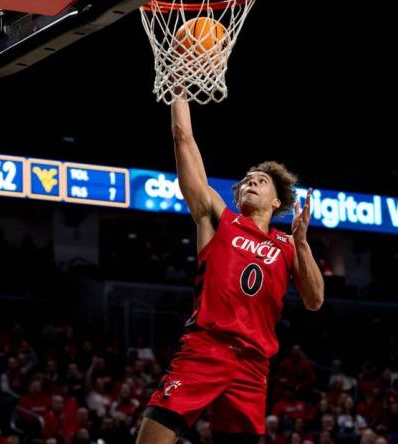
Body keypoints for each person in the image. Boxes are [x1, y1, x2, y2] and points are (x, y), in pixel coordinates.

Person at [136, 99, 325, 444]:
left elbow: (314, 300)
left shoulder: (287, 245)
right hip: (206, 348)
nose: (250, 182)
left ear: (276, 202)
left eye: (260, 181)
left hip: (253, 366)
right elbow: (184, 139)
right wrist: (177, 86)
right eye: (246, 180)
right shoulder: (218, 220)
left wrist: (302, 243)